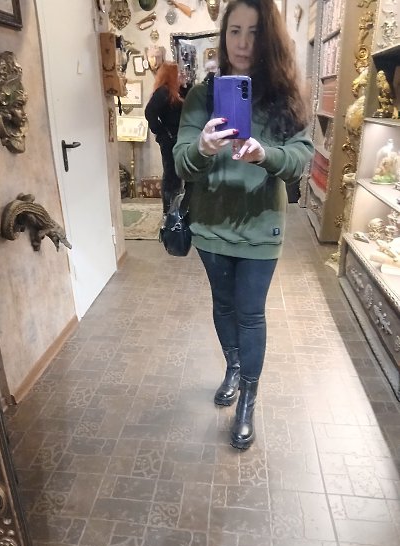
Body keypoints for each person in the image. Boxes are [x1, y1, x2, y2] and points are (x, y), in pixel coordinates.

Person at [173, 0, 313, 450]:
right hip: (211, 226)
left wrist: (265, 154)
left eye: (254, 32)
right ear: (223, 35)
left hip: (260, 226)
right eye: (235, 30)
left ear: (268, 37)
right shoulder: (202, 96)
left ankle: (248, 401)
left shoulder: (284, 96)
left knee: (250, 313)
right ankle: (233, 367)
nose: (243, 42)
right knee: (223, 305)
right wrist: (203, 147)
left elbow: (300, 159)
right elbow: (181, 161)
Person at [145, 62, 188, 214]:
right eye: (178, 72)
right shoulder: (163, 91)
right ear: (171, 75)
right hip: (170, 140)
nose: (181, 74)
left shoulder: (177, 91)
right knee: (171, 176)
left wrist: (184, 84)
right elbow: (149, 112)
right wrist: (161, 133)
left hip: (178, 138)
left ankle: (177, 210)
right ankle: (168, 212)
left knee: (178, 175)